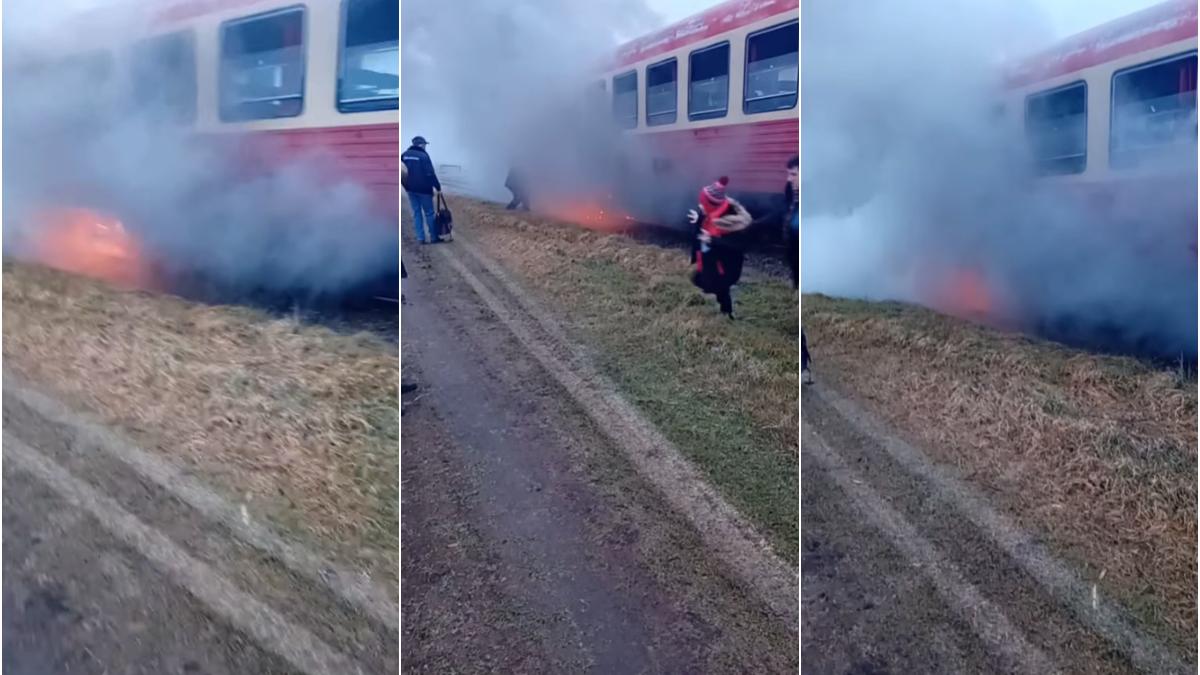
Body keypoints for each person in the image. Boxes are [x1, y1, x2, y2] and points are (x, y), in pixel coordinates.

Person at [687, 177, 753, 319]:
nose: (700, 205)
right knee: (706, 281)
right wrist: (698, 219)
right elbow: (706, 222)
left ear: (711, 205)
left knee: (716, 285)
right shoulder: (713, 214)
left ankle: (727, 313)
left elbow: (737, 246)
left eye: (703, 203)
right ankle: (726, 311)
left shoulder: (730, 223)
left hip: (725, 266)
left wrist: (712, 240)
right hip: (712, 262)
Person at [401, 136, 442, 244]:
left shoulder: (404, 155)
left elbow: (401, 172)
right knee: (429, 213)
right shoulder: (424, 156)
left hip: (410, 190)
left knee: (416, 213)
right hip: (424, 190)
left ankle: (420, 238)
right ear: (421, 145)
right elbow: (430, 173)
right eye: (424, 144)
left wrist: (406, 186)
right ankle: (434, 237)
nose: (425, 146)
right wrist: (437, 187)